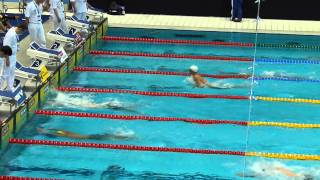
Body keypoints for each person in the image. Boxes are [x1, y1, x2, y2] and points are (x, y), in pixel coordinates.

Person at [37, 127, 135, 140]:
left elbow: (62, 133)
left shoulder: (68, 134)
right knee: (68, 134)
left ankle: (48, 131)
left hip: (91, 136)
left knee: (68, 133)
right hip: (90, 137)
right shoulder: (69, 133)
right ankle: (47, 131)